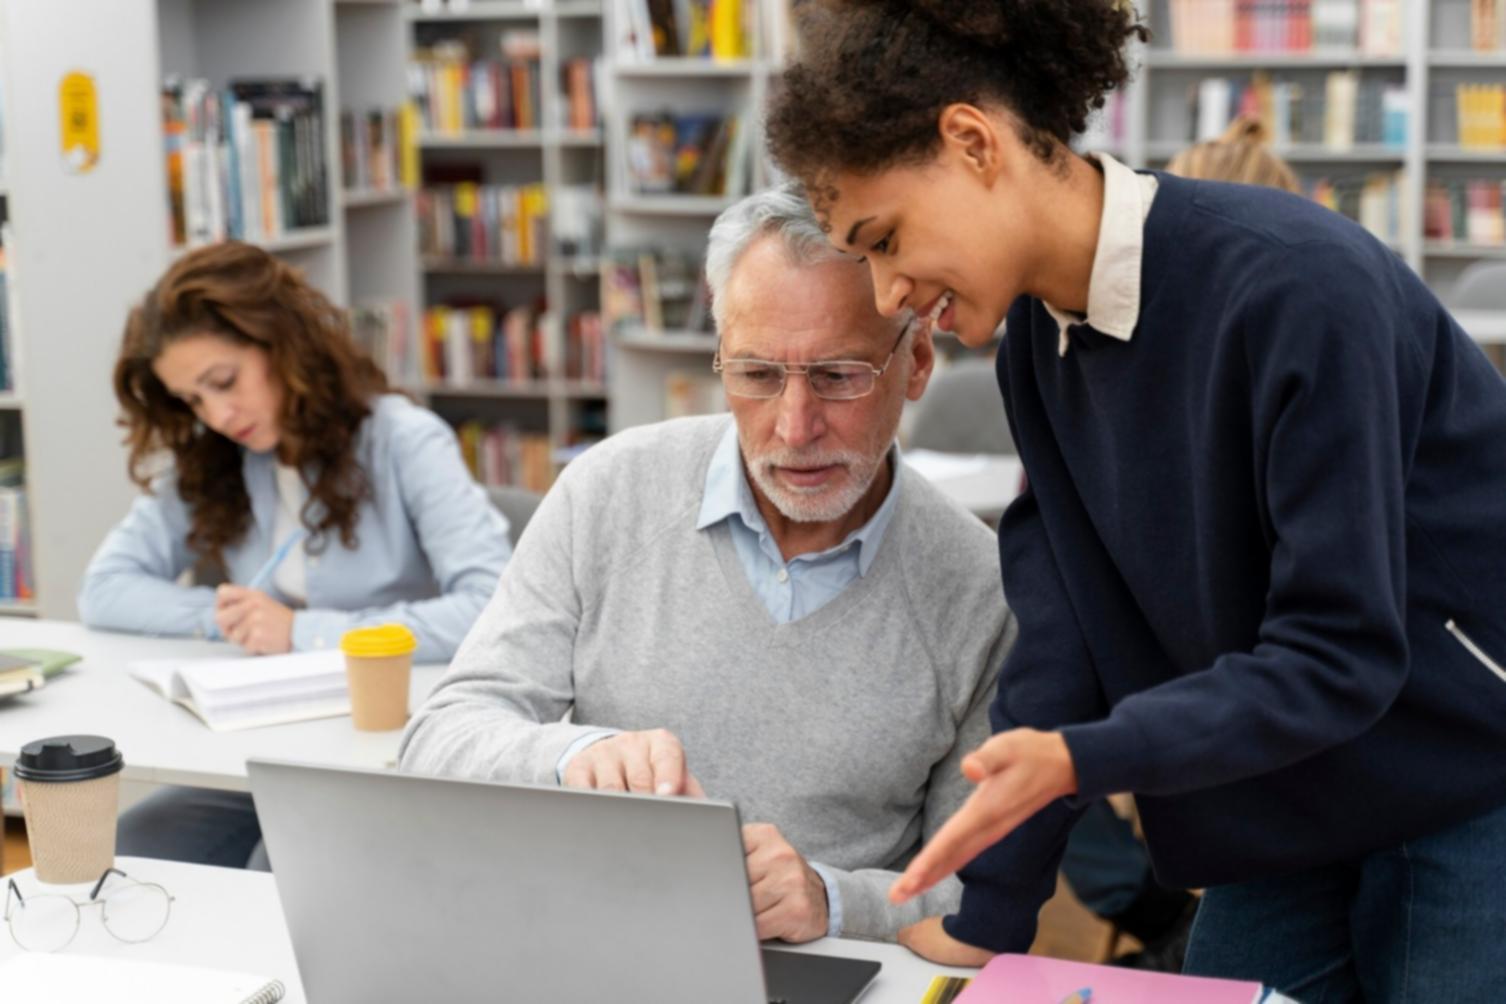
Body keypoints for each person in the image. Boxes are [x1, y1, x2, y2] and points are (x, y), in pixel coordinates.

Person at [765, 1, 1506, 997]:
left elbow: (1343, 648)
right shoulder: (1040, 341)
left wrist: (1083, 757)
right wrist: (993, 911)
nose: (889, 291)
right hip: (1279, 792)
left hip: (1455, 782)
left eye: (887, 237)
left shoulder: (1296, 288)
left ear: (973, 143)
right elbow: (1065, 631)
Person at [399, 184, 1015, 944]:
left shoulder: (984, 588)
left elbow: (984, 897)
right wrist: (573, 755)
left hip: (820, 969)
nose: (795, 426)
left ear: (916, 362)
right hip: (601, 945)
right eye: (756, 375)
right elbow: (438, 740)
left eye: (838, 376)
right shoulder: (609, 489)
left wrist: (831, 898)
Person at [80, 242, 511, 869]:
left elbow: (490, 609)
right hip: (272, 744)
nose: (219, 415)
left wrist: (300, 631)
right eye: (193, 400)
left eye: (223, 382)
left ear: (283, 344)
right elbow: (105, 588)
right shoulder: (215, 457)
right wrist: (227, 617)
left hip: (389, 747)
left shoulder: (402, 439)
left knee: (274, 868)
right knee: (133, 846)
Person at [1053, 116, 1304, 974]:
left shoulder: (1312, 338)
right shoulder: (1098, 360)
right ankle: (1158, 913)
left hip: (1286, 743)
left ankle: (1166, 924)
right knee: (1041, 732)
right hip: (1194, 720)